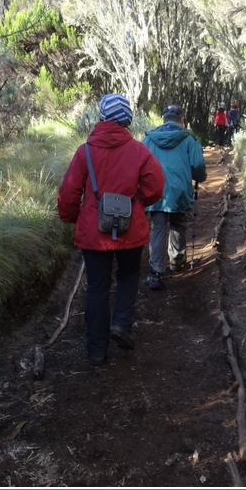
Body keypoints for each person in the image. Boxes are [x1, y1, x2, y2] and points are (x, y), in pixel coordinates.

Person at [58, 93, 165, 366]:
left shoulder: (85, 151)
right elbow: (156, 187)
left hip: (94, 232)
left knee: (96, 287)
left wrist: (72, 218)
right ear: (127, 120)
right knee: (128, 276)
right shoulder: (140, 151)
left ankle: (96, 349)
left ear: (102, 117)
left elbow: (69, 193)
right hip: (131, 230)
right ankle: (121, 325)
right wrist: (137, 203)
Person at [143, 104, 207, 290]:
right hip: (180, 190)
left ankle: (155, 272)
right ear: (182, 120)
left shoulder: (149, 138)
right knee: (178, 223)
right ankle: (176, 260)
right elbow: (197, 166)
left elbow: (141, 163)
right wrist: (200, 177)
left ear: (163, 119)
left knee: (158, 227)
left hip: (155, 191)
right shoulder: (189, 139)